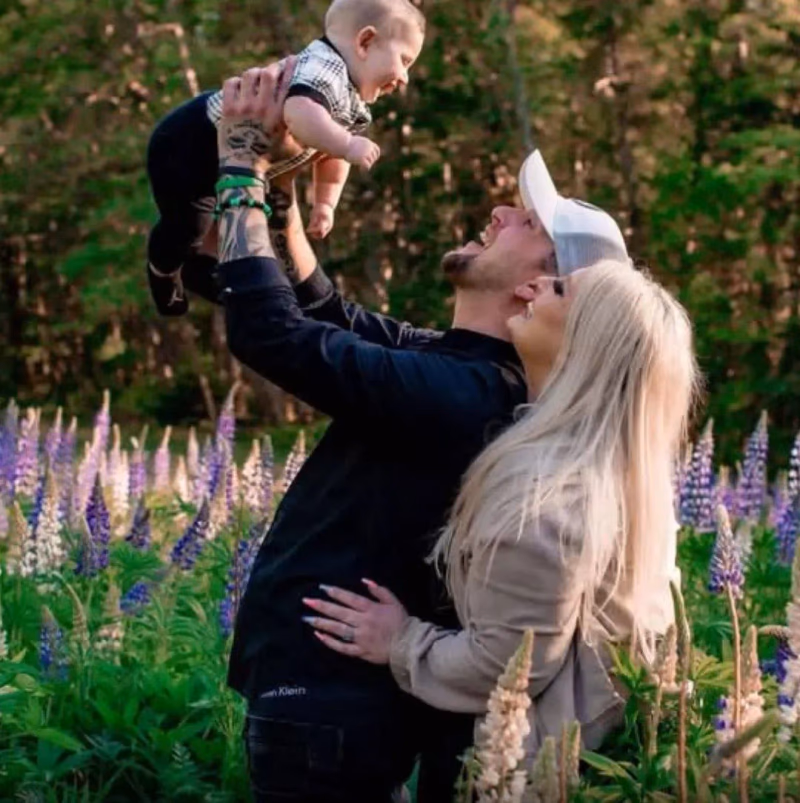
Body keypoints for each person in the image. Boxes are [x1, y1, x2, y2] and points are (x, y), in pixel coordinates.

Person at [208, 62, 632, 802]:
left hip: (330, 712)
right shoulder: (463, 367)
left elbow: (273, 336)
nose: (500, 211)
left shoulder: (459, 393)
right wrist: (281, 195)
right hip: (330, 708)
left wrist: (240, 163)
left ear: (544, 283)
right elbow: (327, 313)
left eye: (526, 222)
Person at [306, 259, 697, 757]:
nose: (531, 284)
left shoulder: (545, 496)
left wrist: (403, 641)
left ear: (586, 345)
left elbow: (509, 666)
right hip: (592, 761)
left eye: (558, 288)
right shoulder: (613, 474)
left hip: (523, 769)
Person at [146, 0, 425, 318]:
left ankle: (197, 267)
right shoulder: (325, 68)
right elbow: (298, 112)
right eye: (404, 60)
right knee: (187, 225)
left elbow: (331, 156)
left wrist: (325, 204)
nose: (404, 78)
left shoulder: (351, 100)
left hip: (229, 152)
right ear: (365, 41)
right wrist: (347, 144)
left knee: (205, 224)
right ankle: (162, 271)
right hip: (186, 141)